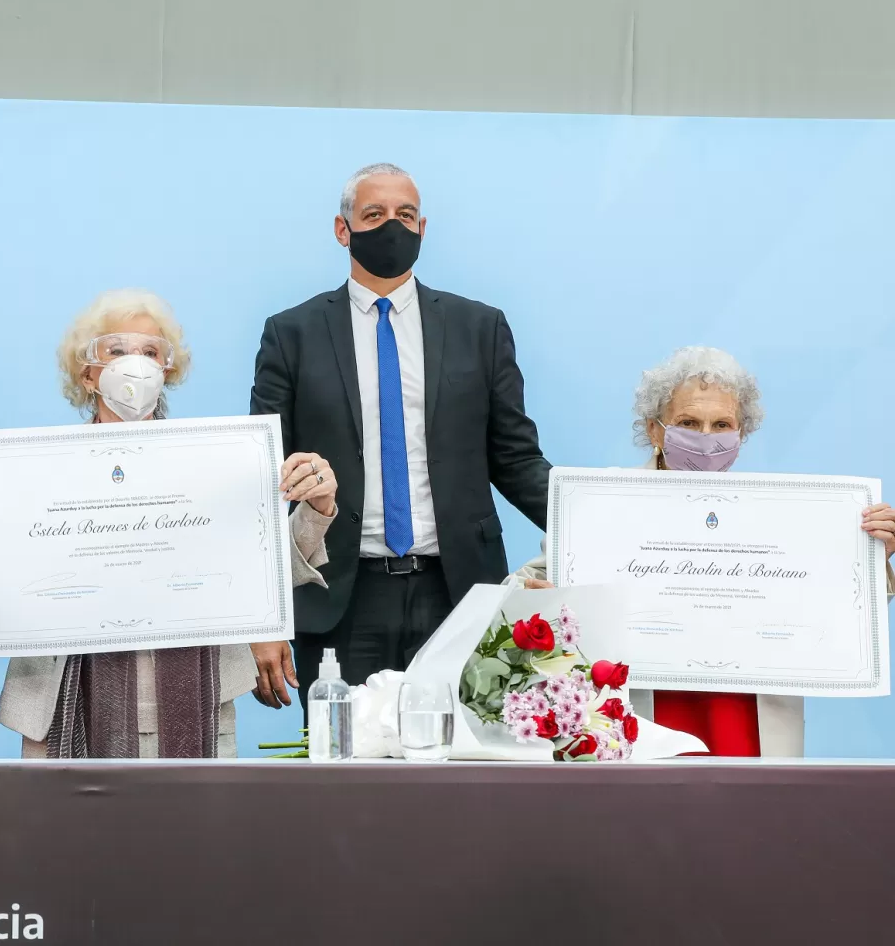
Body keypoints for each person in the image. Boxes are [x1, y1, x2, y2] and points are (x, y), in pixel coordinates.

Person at [0, 290, 339, 757]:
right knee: (70, 834)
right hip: (59, 713)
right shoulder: (31, 474)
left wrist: (317, 508)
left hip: (200, 708)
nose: (134, 364)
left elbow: (265, 574)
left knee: (194, 832)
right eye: (116, 351)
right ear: (87, 371)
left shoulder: (215, 465)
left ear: (168, 370)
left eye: (150, 352)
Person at [250, 162, 551, 707]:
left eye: (405, 215)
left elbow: (516, 459)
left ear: (422, 228)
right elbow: (265, 481)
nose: (392, 225)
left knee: (464, 770)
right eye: (375, 214)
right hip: (340, 592)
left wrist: (595, 529)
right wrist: (259, 615)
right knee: (346, 778)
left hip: (461, 592)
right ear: (343, 230)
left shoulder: (479, 329)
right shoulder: (290, 335)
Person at [510, 346, 895, 756]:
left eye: (722, 424)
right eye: (689, 422)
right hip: (639, 711)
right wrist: (539, 597)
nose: (706, 438)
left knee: (752, 817)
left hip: (748, 715)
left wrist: (874, 556)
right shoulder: (601, 503)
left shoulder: (782, 516)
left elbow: (831, 606)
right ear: (655, 430)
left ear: (741, 434)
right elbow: (521, 588)